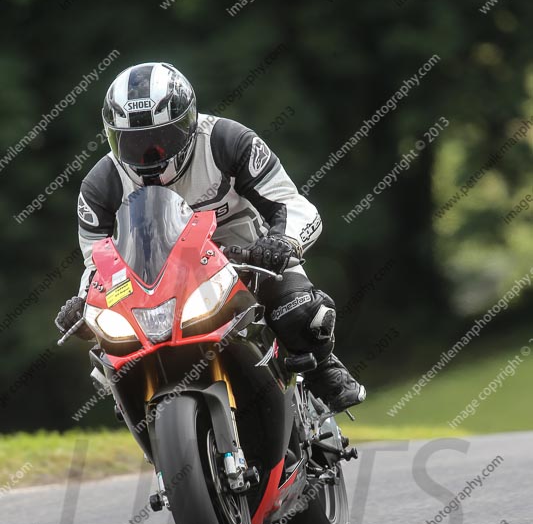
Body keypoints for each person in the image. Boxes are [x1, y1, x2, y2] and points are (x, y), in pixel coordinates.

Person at [55, 62, 366, 412]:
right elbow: (97, 263)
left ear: (188, 122)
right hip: (158, 283)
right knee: (110, 356)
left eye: (161, 139)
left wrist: (283, 242)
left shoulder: (228, 141)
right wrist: (84, 302)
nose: (148, 153)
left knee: (302, 314)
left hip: (248, 257)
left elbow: (290, 203)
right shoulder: (101, 184)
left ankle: (324, 367)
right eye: (134, 142)